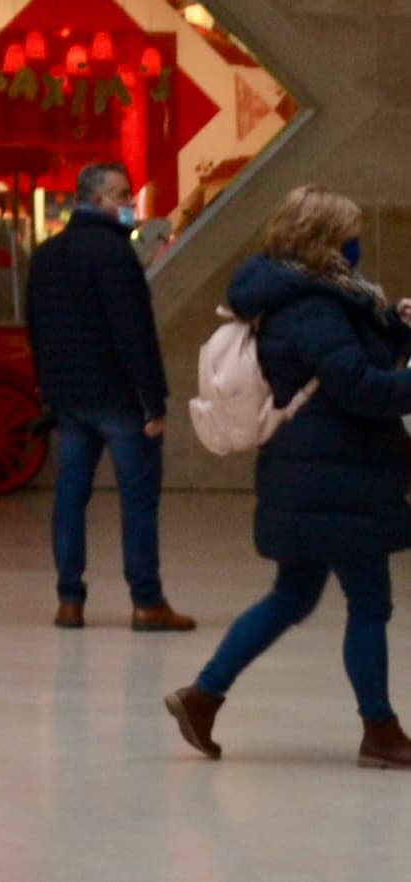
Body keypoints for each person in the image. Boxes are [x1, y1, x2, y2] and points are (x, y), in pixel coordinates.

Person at [167, 187, 411, 768]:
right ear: (324, 242)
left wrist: (399, 332)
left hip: (308, 473)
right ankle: (380, 730)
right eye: (348, 233)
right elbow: (361, 389)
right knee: (369, 603)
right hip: (339, 477)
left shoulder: (301, 297)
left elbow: (347, 367)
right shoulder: (315, 308)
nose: (356, 243)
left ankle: (202, 696)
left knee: (291, 597)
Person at [25, 160, 194, 632]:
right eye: (121, 195)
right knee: (138, 500)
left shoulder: (47, 254)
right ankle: (146, 602)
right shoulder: (116, 255)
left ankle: (69, 600)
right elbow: (134, 333)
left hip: (71, 399)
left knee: (70, 497)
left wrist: (50, 391)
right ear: (95, 200)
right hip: (119, 398)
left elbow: (37, 330)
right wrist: (153, 401)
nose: (129, 204)